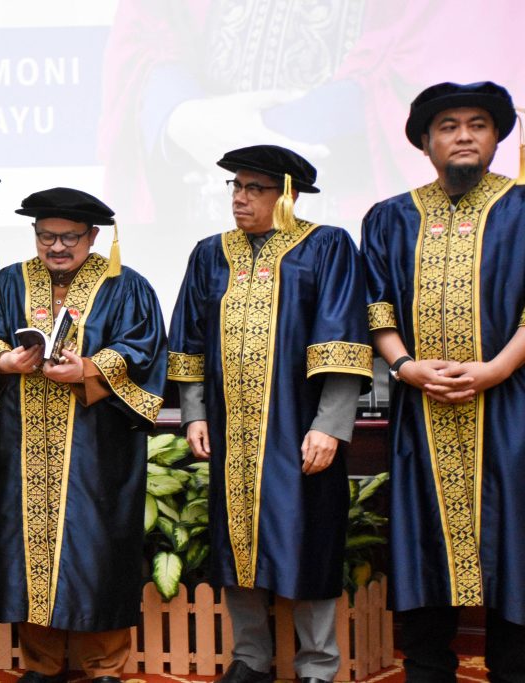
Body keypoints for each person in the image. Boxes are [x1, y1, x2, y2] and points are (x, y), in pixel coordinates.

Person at [168, 146, 372, 683]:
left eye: (253, 188)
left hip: (298, 428)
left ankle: (318, 666)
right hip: (231, 433)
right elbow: (188, 339)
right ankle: (251, 658)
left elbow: (343, 340)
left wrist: (329, 426)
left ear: (288, 194)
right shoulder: (210, 253)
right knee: (236, 545)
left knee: (308, 539)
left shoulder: (326, 246)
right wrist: (194, 414)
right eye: (236, 187)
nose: (240, 198)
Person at [0, 187, 167, 683]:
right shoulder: (10, 282)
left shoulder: (125, 286)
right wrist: (3, 359)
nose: (56, 247)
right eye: (46, 236)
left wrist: (89, 369)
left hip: (99, 447)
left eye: (69, 237)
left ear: (92, 236)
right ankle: (41, 662)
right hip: (26, 442)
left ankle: (103, 664)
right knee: (26, 545)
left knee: (99, 546)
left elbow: (142, 348)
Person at [361, 81, 525, 681]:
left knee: (513, 539)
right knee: (421, 538)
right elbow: (376, 305)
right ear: (426, 142)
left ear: (496, 136)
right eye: (448, 126)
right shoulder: (390, 217)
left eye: (477, 124)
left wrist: (495, 369)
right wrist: (405, 366)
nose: (463, 136)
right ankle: (429, 669)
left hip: (508, 406)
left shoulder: (522, 209)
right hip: (420, 408)